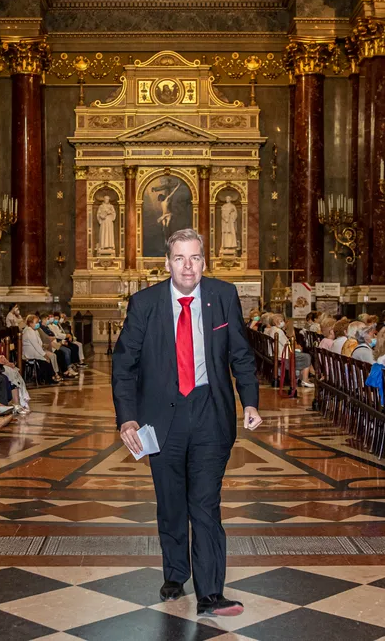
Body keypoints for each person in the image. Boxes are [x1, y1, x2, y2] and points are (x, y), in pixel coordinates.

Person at [112, 228, 260, 617]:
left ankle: (211, 593)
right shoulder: (144, 303)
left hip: (211, 414)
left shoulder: (222, 296)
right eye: (180, 258)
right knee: (172, 504)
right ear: (167, 263)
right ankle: (175, 573)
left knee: (206, 506)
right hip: (162, 420)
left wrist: (250, 402)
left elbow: (241, 354)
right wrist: (127, 419)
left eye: (194, 258)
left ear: (204, 262)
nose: (188, 266)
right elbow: (124, 365)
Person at [22, 314, 58, 384]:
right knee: (46, 359)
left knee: (47, 359)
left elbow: (39, 343)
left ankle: (48, 378)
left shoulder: (34, 330)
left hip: (35, 350)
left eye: (38, 322)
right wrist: (44, 355)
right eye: (36, 322)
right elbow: (36, 345)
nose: (38, 324)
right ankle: (46, 379)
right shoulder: (29, 331)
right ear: (30, 323)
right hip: (29, 352)